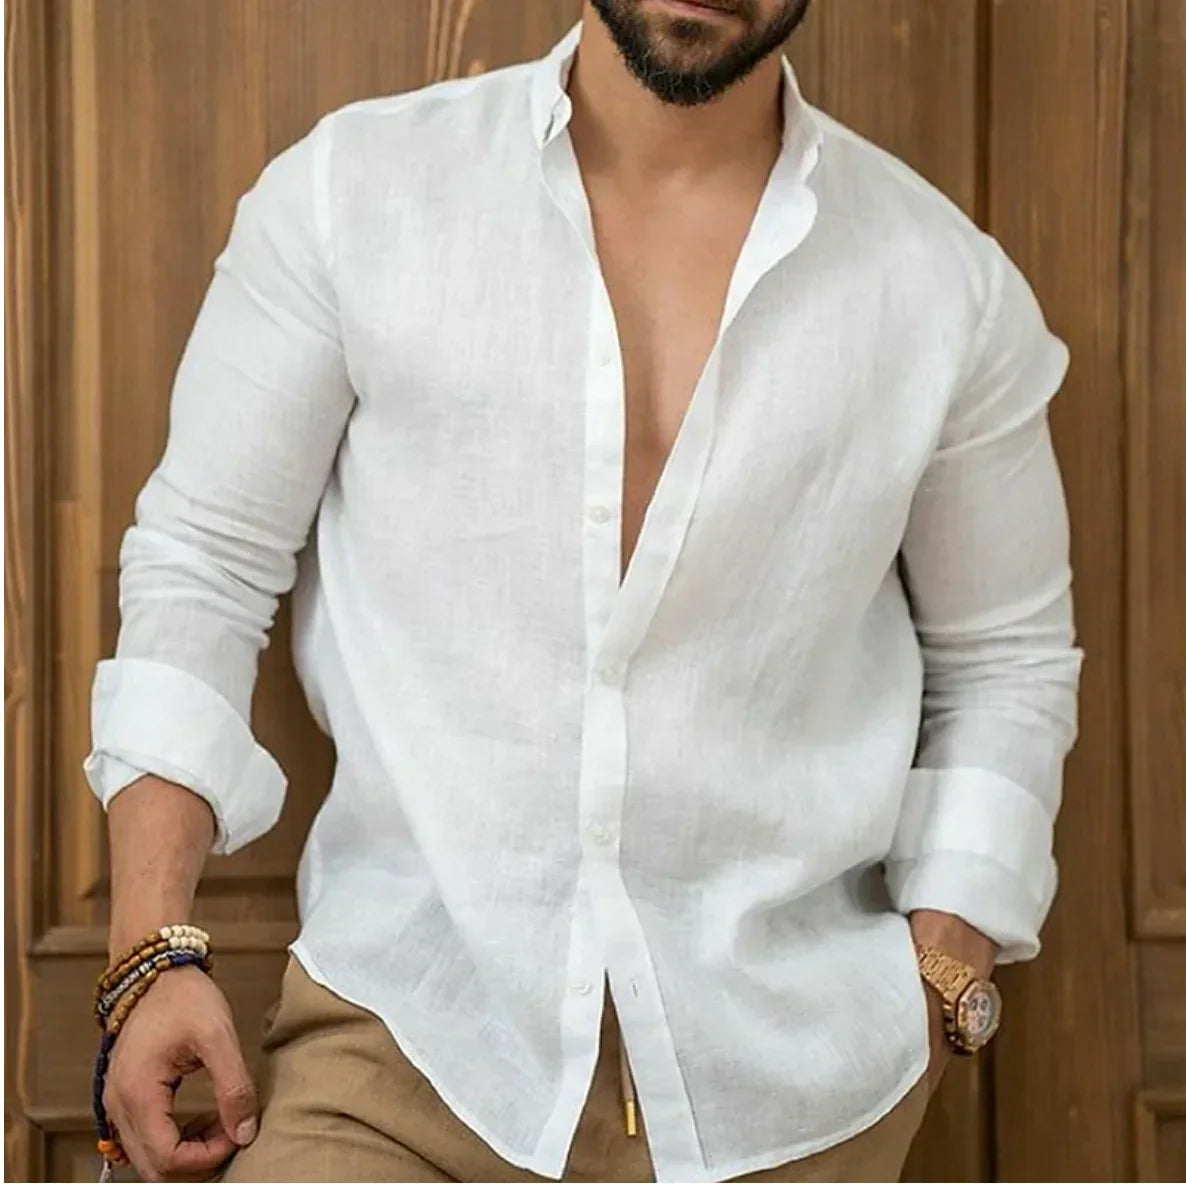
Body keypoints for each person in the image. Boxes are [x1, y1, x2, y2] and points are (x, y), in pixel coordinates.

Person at [85, 1, 1084, 1181]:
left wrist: (944, 973)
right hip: (403, 1052)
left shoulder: (947, 290)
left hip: (800, 1091)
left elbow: (1006, 663)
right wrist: (147, 953)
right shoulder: (354, 194)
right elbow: (204, 560)